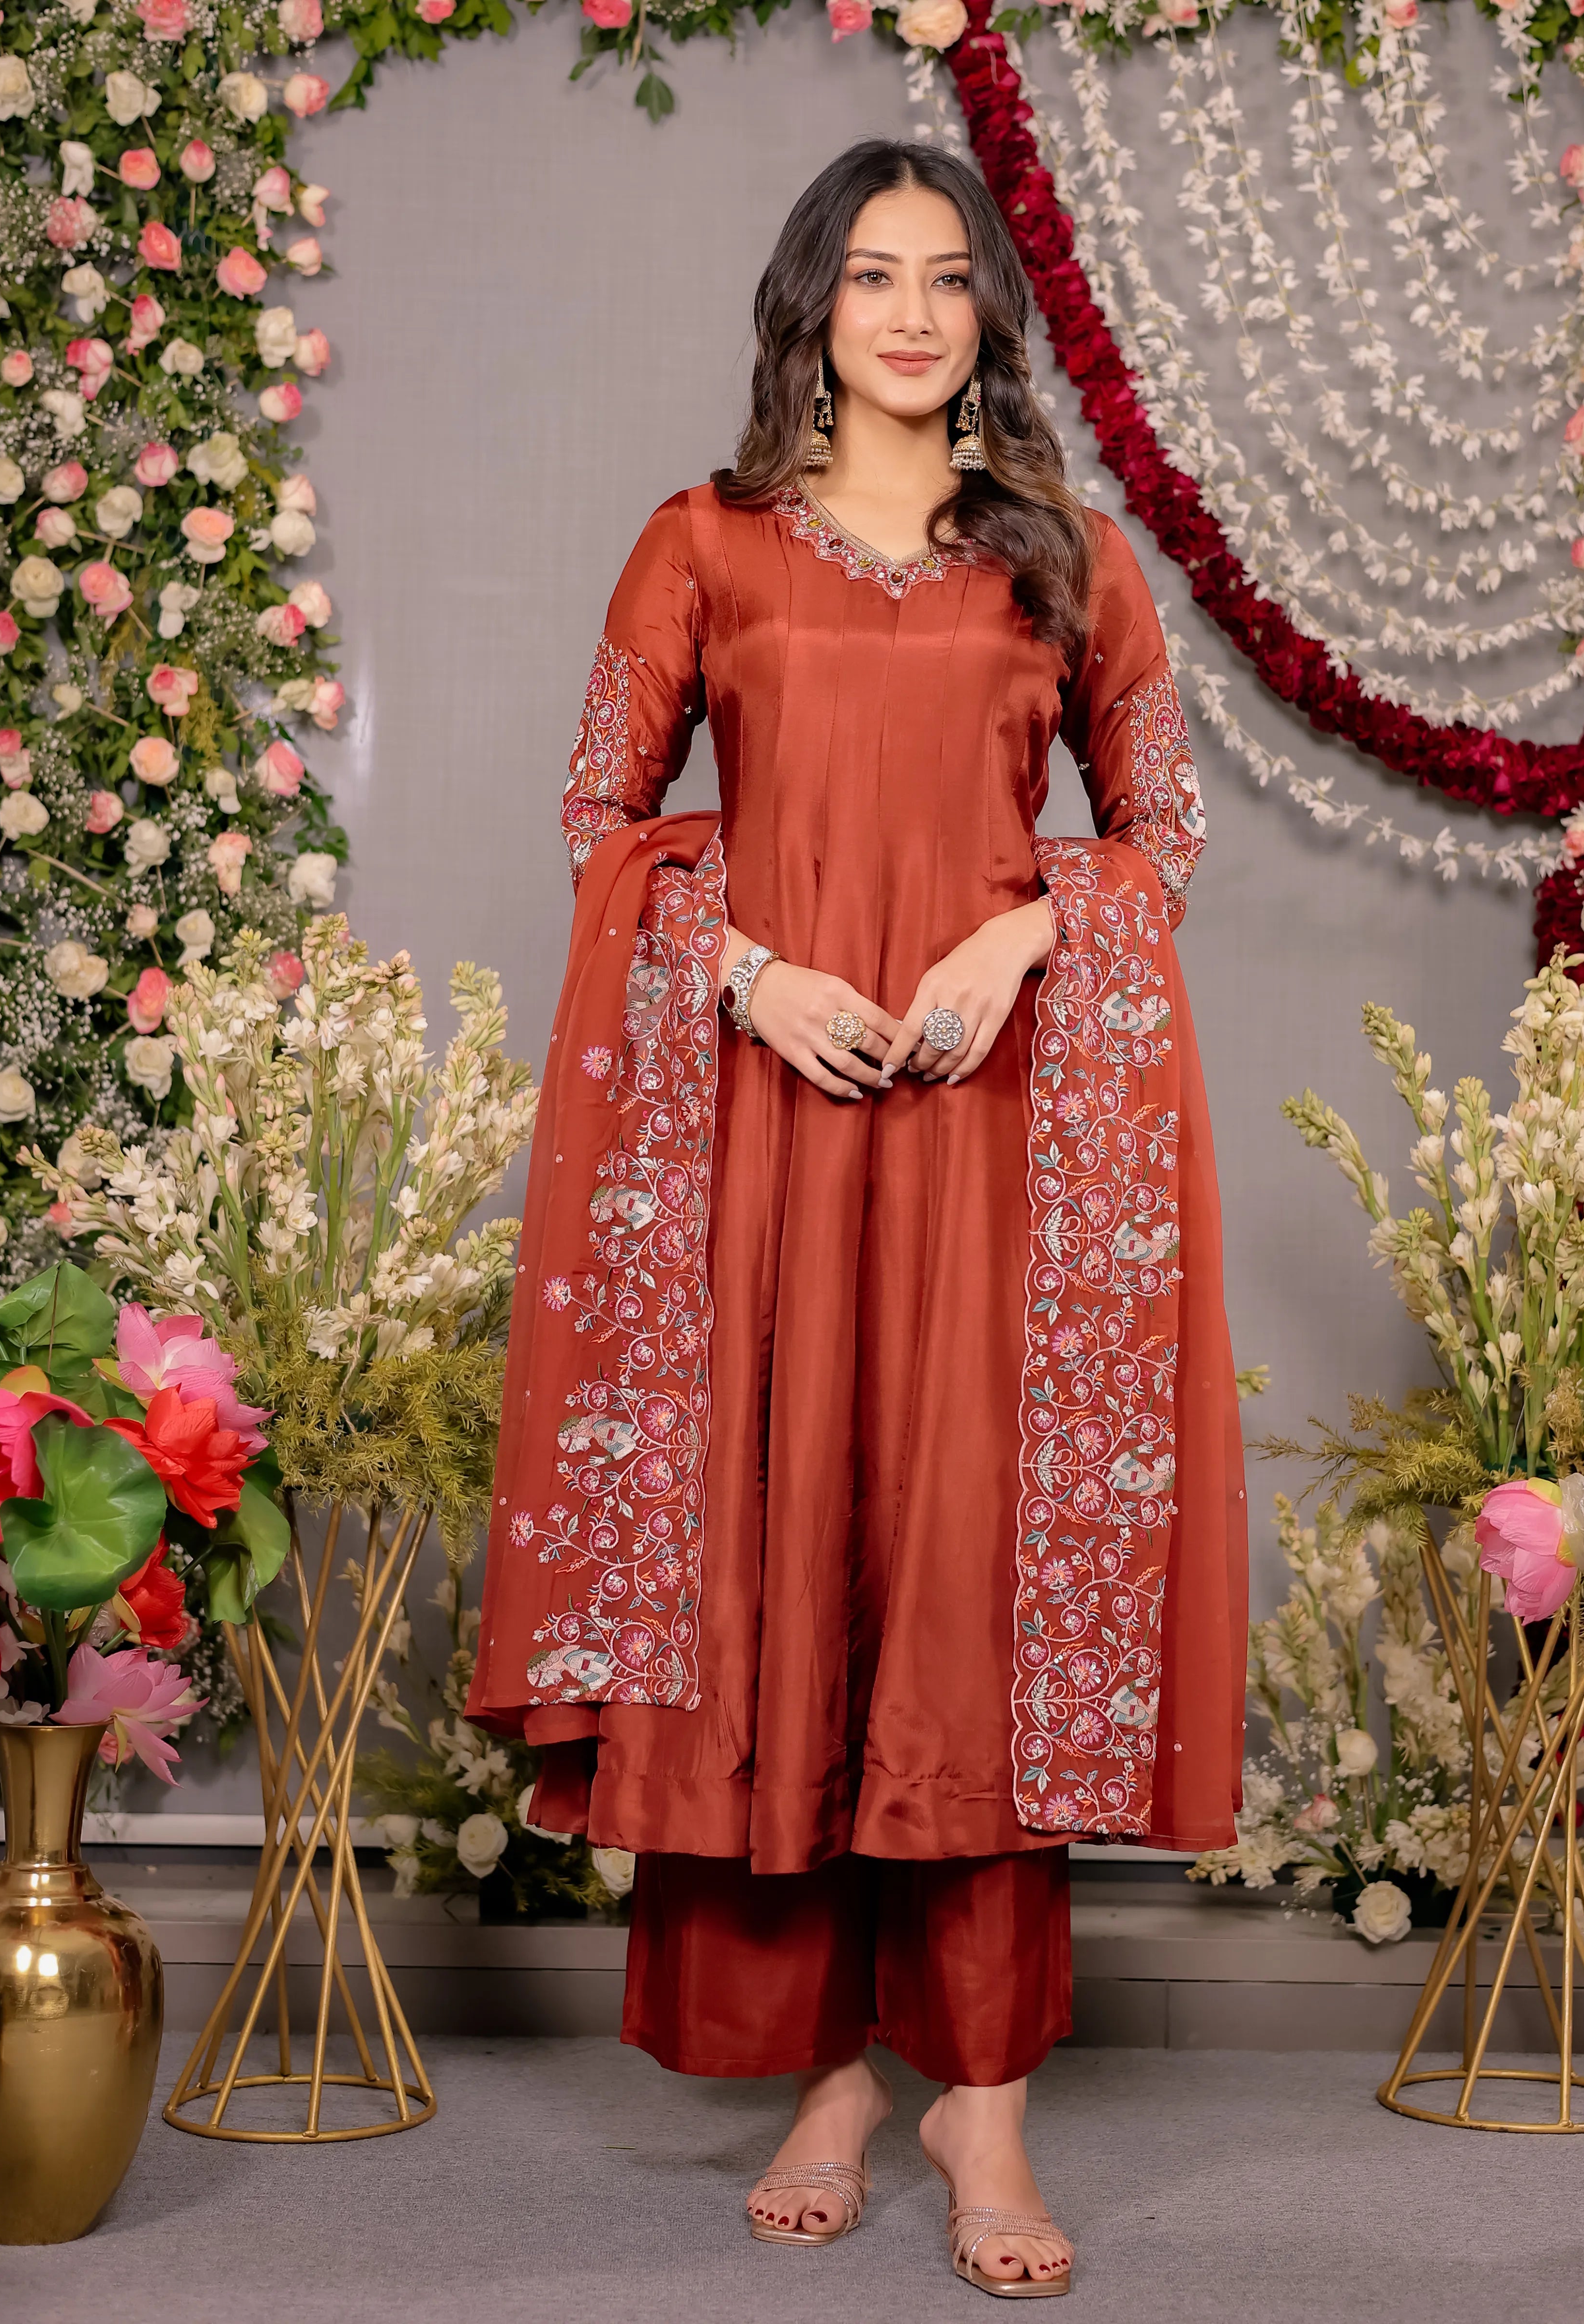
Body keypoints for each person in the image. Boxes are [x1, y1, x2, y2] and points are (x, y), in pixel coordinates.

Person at [468, 138, 1248, 2299]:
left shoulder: (1063, 558)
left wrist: (1030, 936)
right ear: (809, 305)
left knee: (967, 1579)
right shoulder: (700, 543)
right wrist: (741, 968)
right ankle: (823, 2063)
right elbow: (594, 815)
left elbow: (1155, 831)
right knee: (789, 1566)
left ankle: (979, 2104)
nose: (911, 315)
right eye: (870, 277)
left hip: (998, 1142)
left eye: (948, 280)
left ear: (989, 313)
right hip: (764, 1140)